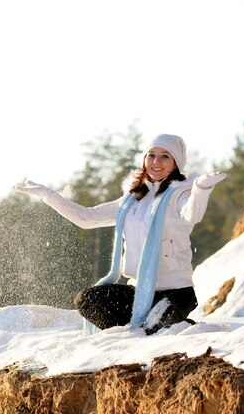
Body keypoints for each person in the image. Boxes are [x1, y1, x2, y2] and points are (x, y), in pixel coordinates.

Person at [13, 134, 226, 335]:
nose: (156, 162)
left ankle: (180, 327)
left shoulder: (180, 194)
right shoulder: (131, 200)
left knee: (153, 331)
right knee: (87, 300)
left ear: (176, 163)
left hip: (175, 292)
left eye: (164, 156)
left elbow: (191, 215)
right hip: (140, 292)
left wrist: (201, 189)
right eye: (151, 155)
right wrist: (48, 195)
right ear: (144, 159)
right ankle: (133, 332)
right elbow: (87, 218)